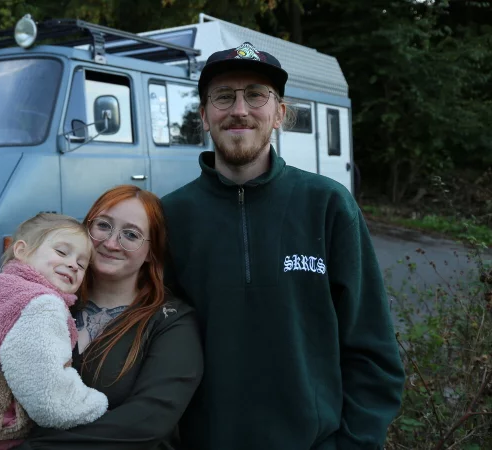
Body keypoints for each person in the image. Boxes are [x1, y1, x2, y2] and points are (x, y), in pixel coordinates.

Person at [161, 41, 407, 449]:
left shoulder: (328, 206)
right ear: (204, 116)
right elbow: (146, 346)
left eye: (256, 95)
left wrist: (354, 443)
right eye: (224, 96)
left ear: (279, 113)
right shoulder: (171, 216)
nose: (239, 109)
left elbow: (372, 350)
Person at [0, 184, 204, 450]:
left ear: (151, 252)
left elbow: (149, 420)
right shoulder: (35, 298)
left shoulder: (171, 321)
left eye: (131, 235)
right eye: (103, 225)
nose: (111, 243)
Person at [0, 213, 107, 450]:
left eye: (82, 264)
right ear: (21, 251)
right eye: (62, 252)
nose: (73, 264)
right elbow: (48, 397)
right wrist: (98, 405)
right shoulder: (41, 305)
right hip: (6, 433)